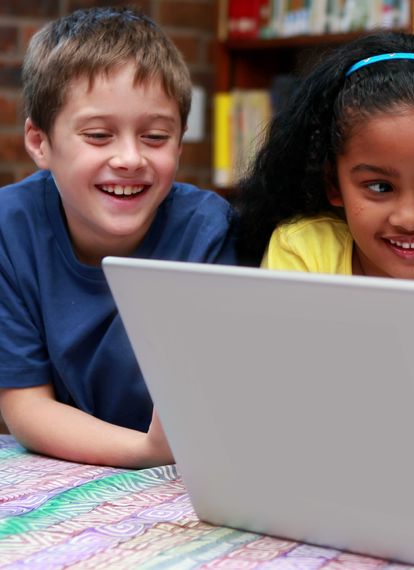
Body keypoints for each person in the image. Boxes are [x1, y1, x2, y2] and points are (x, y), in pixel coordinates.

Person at [230, 32, 414, 438]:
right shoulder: (301, 248)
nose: (410, 217)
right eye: (380, 187)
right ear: (334, 185)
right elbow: (288, 404)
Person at [0, 7, 235, 468]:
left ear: (180, 142)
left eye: (154, 136)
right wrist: (148, 451)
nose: (129, 158)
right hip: (84, 469)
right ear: (39, 142)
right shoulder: (10, 228)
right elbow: (24, 407)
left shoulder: (209, 231)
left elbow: (215, 406)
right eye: (99, 135)